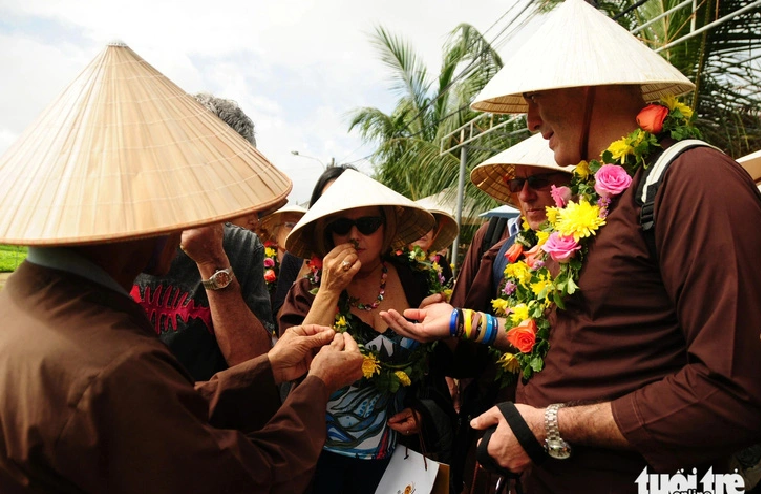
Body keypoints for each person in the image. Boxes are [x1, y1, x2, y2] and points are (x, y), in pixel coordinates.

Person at [380, 1, 761, 492]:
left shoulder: (695, 180)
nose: (531, 120)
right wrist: (460, 321)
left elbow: (735, 393)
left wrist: (552, 426)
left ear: (586, 86)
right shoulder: (595, 203)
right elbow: (570, 338)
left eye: (537, 96)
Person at [0, 42, 364, 493]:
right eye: (189, 203)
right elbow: (250, 479)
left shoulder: (20, 302)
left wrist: (267, 367)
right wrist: (317, 385)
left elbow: (163, 410)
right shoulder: (117, 364)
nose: (188, 226)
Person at [280, 169, 454, 493]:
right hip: (318, 460)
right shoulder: (308, 291)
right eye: (342, 226)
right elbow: (295, 368)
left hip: (394, 458)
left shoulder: (416, 281)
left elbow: (444, 367)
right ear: (327, 233)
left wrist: (422, 413)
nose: (354, 236)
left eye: (368, 224)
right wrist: (330, 289)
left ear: (386, 227)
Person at [449, 134, 572, 493]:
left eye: (538, 182)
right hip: (494, 406)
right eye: (517, 183)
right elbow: (468, 307)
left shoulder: (591, 245)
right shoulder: (499, 243)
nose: (525, 194)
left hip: (560, 422)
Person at [132, 92, 275, 381]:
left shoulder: (241, 245)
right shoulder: (126, 228)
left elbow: (252, 363)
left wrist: (213, 260)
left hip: (205, 417)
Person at [273, 165, 358, 319]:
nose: (339, 210)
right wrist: (306, 277)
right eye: (329, 202)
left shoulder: (375, 256)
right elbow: (282, 325)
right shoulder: (295, 257)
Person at [410, 203, 458, 287]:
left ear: (434, 235)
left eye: (429, 227)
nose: (423, 232)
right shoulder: (397, 261)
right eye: (418, 226)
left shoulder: (441, 263)